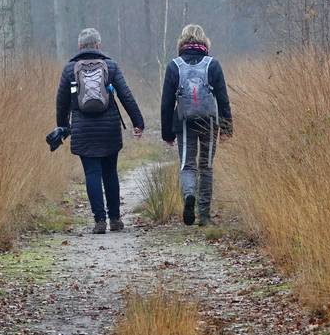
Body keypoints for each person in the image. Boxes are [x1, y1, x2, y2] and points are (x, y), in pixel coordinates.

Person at [56, 28, 145, 234]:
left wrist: (63, 128)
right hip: (109, 129)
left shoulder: (70, 70)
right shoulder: (111, 66)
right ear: (98, 45)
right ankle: (115, 219)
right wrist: (137, 122)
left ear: (79, 47)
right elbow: (126, 96)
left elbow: (61, 103)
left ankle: (99, 221)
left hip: (83, 130)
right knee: (110, 172)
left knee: (92, 173)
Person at [160, 24, 232, 226]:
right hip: (209, 121)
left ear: (182, 41)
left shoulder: (174, 66)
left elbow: (166, 104)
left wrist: (167, 133)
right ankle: (204, 216)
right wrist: (227, 129)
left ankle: (189, 195)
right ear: (204, 41)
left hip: (184, 122)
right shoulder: (213, 65)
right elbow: (223, 99)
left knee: (187, 165)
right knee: (206, 166)